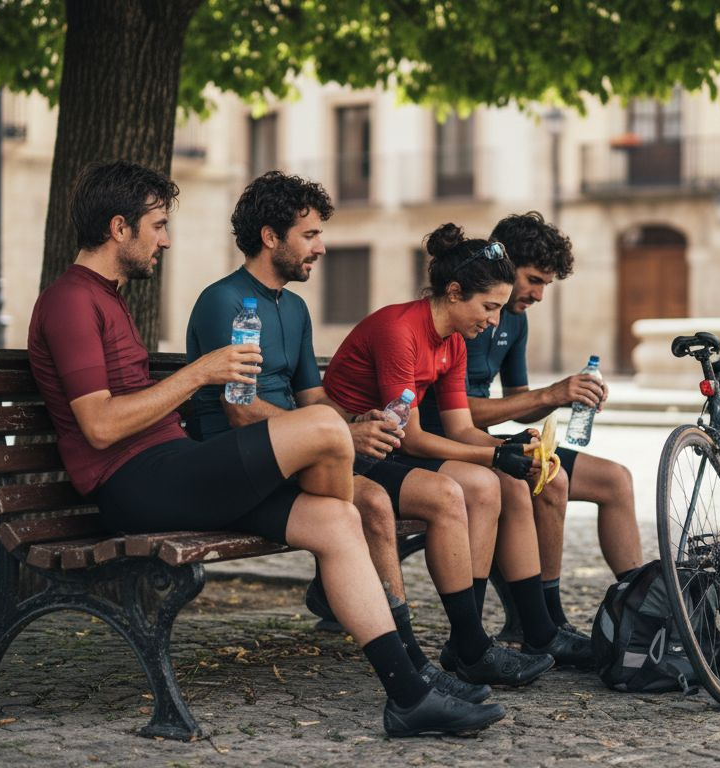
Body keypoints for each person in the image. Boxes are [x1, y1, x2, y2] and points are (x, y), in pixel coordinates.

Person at [26, 160, 503, 737]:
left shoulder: (108, 296)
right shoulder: (70, 300)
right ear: (119, 226)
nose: (167, 239)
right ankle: (379, 613)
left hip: (173, 467)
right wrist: (201, 372)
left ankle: (409, 695)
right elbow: (99, 427)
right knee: (330, 436)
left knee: (334, 519)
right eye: (157, 226)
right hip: (131, 482)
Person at [188, 172, 552, 691]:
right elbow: (240, 413)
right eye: (310, 235)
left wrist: (355, 423)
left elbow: (315, 400)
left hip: (302, 448)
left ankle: (467, 648)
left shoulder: (292, 306)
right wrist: (341, 435)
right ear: (270, 237)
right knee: (377, 505)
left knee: (449, 495)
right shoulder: (225, 302)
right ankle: (412, 666)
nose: (322, 246)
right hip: (238, 458)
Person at [322, 223, 594, 676]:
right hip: (353, 450)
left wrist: (510, 447)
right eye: (488, 307)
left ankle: (485, 640)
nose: (493, 320)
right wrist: (493, 455)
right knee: (478, 483)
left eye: (499, 308)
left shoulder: (453, 341)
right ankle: (471, 644)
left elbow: (461, 428)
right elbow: (409, 437)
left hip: (389, 446)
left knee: (498, 482)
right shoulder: (400, 330)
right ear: (453, 293)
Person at [418, 212, 646, 639]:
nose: (540, 295)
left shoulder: (515, 321)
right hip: (447, 443)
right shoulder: (463, 312)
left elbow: (516, 404)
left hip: (487, 441)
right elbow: (456, 413)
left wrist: (569, 393)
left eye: (547, 284)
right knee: (550, 480)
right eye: (535, 280)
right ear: (505, 266)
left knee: (616, 480)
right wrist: (547, 395)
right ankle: (542, 618)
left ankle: (644, 612)